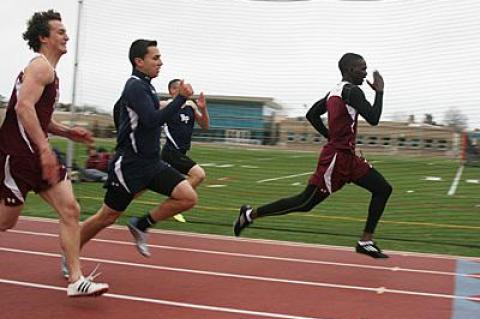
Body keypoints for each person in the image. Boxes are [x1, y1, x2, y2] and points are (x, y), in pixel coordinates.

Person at [233, 53, 393, 259]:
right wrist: (380, 92)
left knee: (383, 189)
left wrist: (331, 137)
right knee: (304, 202)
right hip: (336, 159)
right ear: (349, 70)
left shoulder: (334, 92)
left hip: (349, 158)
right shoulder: (352, 91)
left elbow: (312, 114)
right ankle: (249, 214)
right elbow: (373, 118)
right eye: (362, 68)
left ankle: (365, 241)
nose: (365, 73)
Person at [0, 10, 108, 296]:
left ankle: (76, 280)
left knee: (70, 210)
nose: (66, 36)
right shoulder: (40, 67)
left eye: (65, 31)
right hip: (20, 154)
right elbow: (23, 108)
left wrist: (68, 132)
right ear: (43, 37)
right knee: (6, 221)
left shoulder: (49, 72)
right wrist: (45, 148)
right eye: (59, 32)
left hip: (37, 153)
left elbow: (39, 116)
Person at [67, 39, 197, 272]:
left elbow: (142, 115)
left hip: (152, 163)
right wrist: (180, 99)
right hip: (130, 165)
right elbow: (151, 119)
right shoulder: (135, 86)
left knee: (187, 197)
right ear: (139, 61)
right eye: (155, 58)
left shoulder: (146, 87)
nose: (161, 62)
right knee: (106, 217)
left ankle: (141, 224)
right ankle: (70, 254)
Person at [160, 79, 210, 222]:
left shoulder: (191, 106)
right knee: (198, 174)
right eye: (180, 87)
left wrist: (203, 108)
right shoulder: (165, 105)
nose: (186, 89)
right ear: (172, 91)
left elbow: (205, 125)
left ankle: (117, 205)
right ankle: (174, 203)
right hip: (170, 152)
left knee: (144, 184)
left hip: (180, 153)